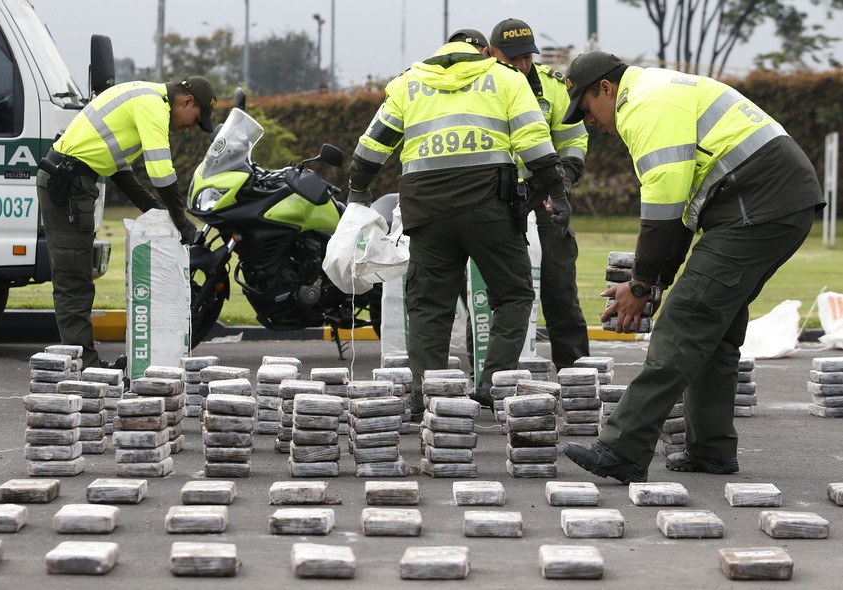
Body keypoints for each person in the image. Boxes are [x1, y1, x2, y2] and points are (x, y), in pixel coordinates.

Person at [559, 51, 825, 483]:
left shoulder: (644, 106)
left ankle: (622, 450)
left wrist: (643, 285)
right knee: (712, 328)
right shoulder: (658, 90)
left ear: (605, 88)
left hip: (757, 205)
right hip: (772, 202)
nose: (590, 122)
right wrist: (653, 281)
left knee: (684, 321)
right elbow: (682, 209)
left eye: (586, 109)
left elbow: (663, 207)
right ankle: (711, 450)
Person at [346, 31, 570, 417]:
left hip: (426, 210)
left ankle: (426, 400)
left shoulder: (408, 83)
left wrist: (357, 189)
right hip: (490, 209)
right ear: (484, 52)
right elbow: (535, 141)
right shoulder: (505, 78)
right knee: (514, 296)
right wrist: (557, 190)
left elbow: (373, 144)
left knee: (430, 307)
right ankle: (491, 384)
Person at [36, 76, 218, 370]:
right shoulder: (154, 106)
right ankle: (85, 369)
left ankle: (83, 364)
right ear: (186, 101)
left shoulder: (143, 95)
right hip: (69, 185)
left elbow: (119, 167)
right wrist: (182, 222)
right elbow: (161, 171)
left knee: (76, 277)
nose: (190, 127)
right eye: (195, 119)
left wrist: (152, 207)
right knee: (74, 280)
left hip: (71, 181)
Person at [488, 18, 591, 371]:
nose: (522, 65)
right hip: (494, 198)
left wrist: (561, 184)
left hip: (544, 193)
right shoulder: (479, 87)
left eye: (527, 57)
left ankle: (575, 372)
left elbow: (573, 140)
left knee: (560, 284)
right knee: (494, 290)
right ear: (490, 53)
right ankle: (491, 374)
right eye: (512, 58)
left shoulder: (553, 86)